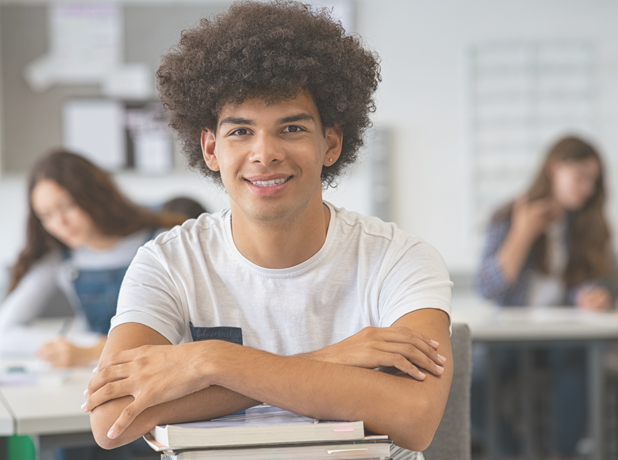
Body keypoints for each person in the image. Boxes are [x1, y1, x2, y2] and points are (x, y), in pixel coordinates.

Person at [83, 1, 454, 456]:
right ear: (211, 148)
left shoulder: (399, 259)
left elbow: (414, 419)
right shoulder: (168, 262)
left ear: (330, 143)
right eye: (240, 132)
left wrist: (210, 361)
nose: (265, 153)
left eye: (292, 128)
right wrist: (330, 359)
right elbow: (111, 420)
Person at [475, 136, 613, 458]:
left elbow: (594, 281)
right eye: (580, 177)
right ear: (554, 169)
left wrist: (593, 295)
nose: (587, 189)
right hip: (510, 334)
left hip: (561, 335)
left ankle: (564, 454)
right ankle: (515, 454)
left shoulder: (589, 225)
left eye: (593, 181)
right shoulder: (507, 216)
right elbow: (488, 289)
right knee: (472, 380)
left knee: (575, 362)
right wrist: (522, 234)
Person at [0, 149, 184, 368]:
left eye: (66, 207)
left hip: (161, 371)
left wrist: (97, 350)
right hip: (98, 376)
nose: (60, 224)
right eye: (46, 216)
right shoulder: (61, 258)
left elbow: (190, 336)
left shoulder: (164, 242)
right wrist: (79, 346)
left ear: (93, 195)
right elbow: (5, 332)